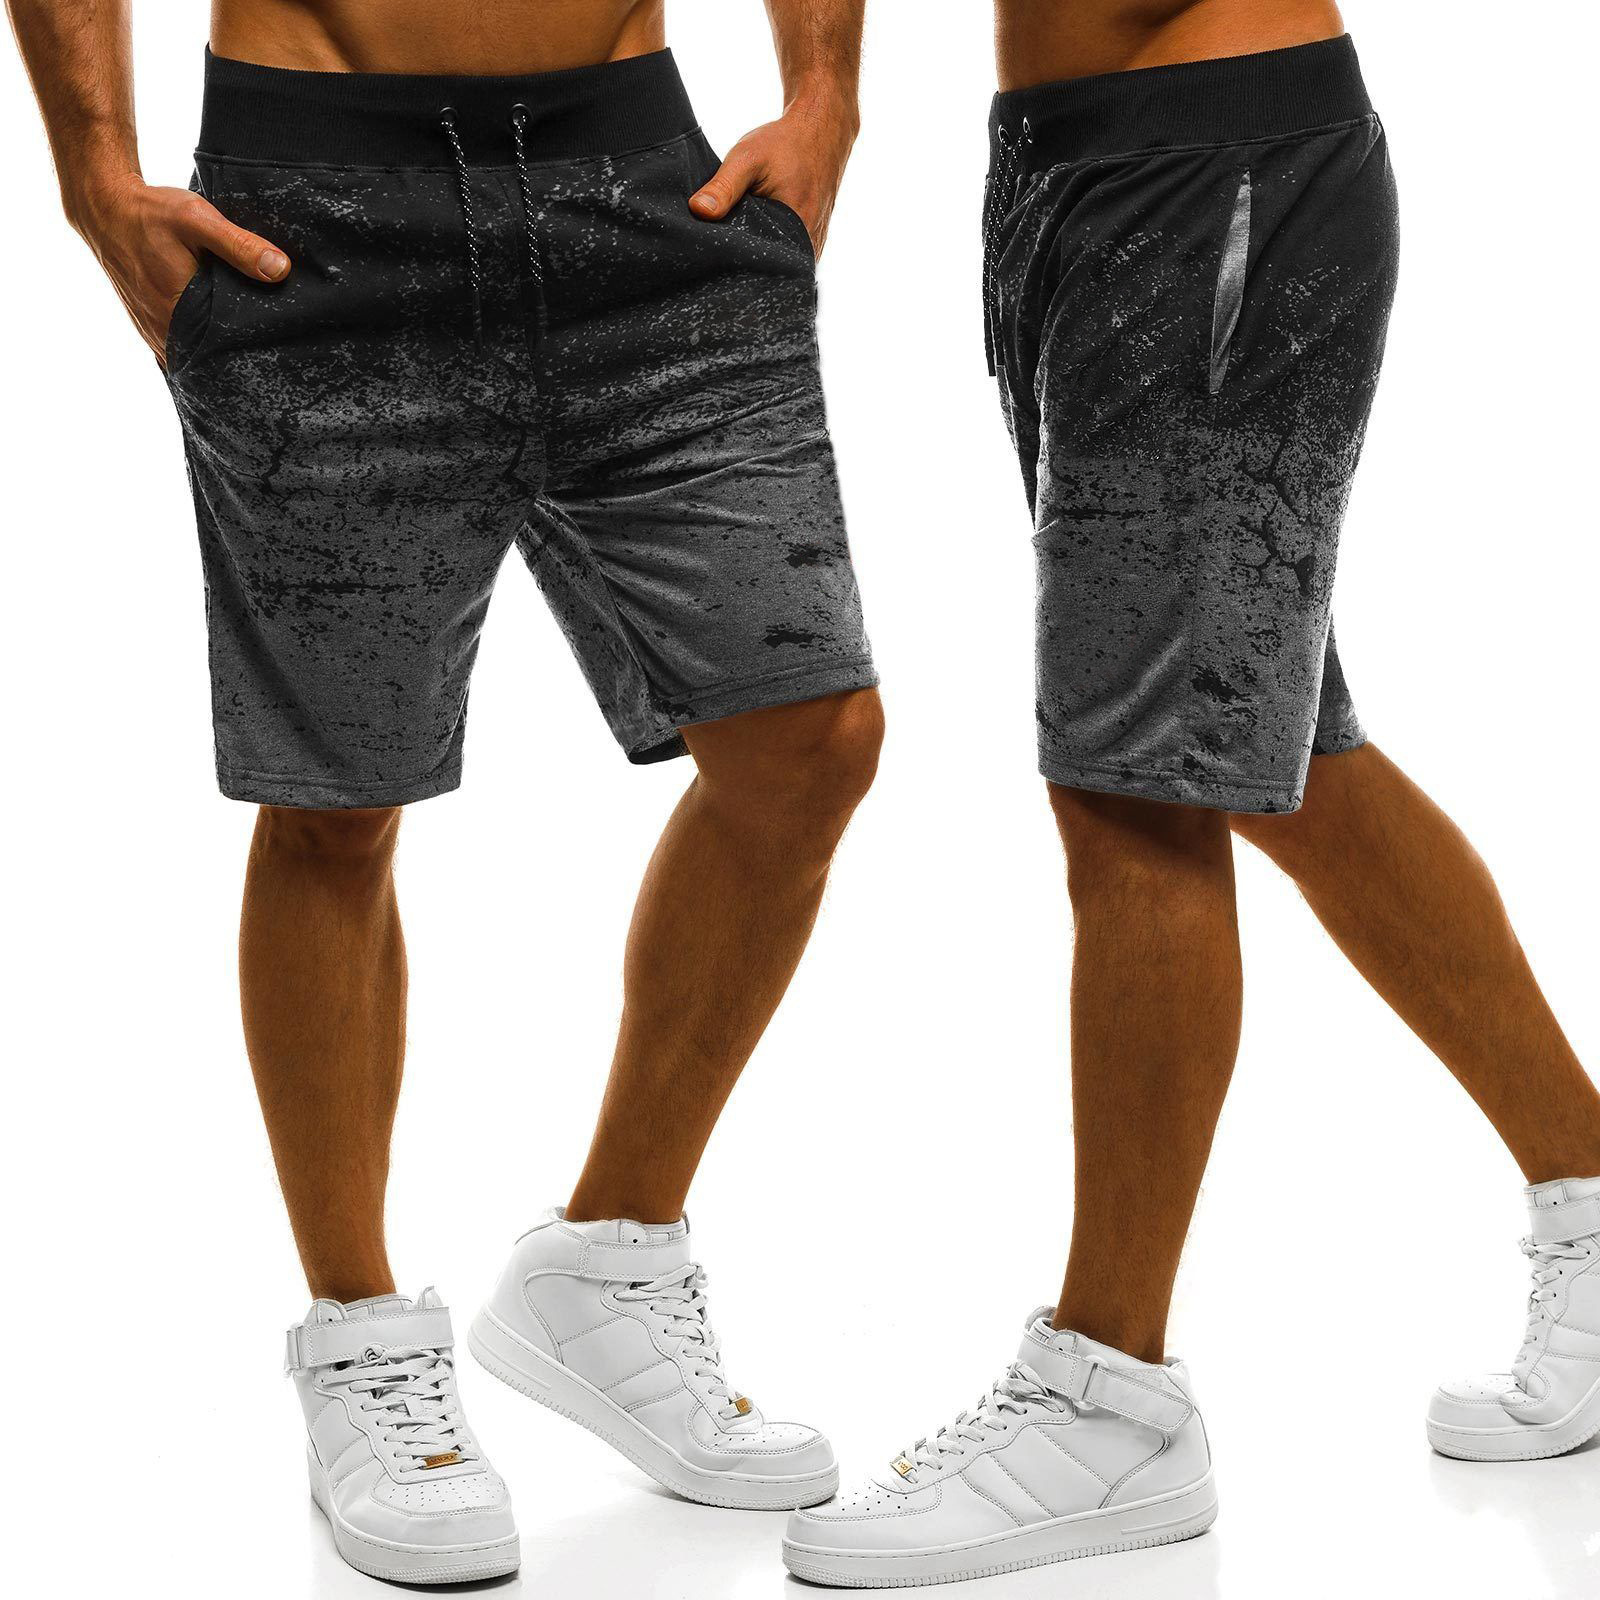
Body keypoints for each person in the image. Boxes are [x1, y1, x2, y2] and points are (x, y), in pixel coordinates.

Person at [7, 0, 878, 1583]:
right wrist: (93, 170)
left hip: (647, 196)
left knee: (811, 738)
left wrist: (825, 89)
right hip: (319, 212)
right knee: (338, 800)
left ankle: (611, 1264)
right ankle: (360, 1344)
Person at [783, 1, 1600, 1586]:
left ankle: (1111, 1395)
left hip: (1213, 158)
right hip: (1072, 166)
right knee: (1274, 757)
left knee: (1138, 783)